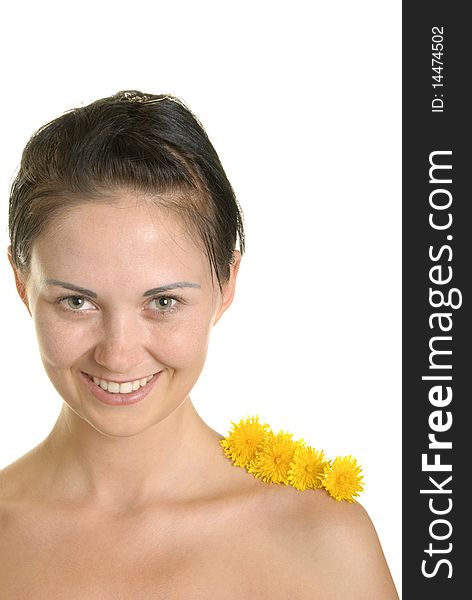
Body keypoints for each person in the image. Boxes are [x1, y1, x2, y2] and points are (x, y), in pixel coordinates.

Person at [0, 90, 399, 598]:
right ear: (21, 283)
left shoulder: (321, 537)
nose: (118, 354)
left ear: (226, 283)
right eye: (77, 302)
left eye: (163, 302)